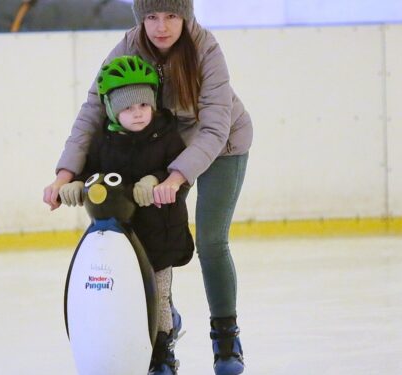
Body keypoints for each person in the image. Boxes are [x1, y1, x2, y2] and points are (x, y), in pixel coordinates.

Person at [43, 1, 252, 374]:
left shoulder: (206, 49)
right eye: (152, 16)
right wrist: (65, 173)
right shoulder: (129, 45)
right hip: (165, 148)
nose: (161, 26)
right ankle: (163, 321)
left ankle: (225, 339)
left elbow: (215, 126)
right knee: (145, 236)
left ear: (185, 15)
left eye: (172, 15)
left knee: (210, 241)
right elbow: (94, 110)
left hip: (223, 147)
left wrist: (176, 177)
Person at [57, 55, 194, 375]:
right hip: (121, 237)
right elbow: (93, 172)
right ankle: (121, 344)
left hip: (160, 233)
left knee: (157, 296)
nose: (137, 113)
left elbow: (178, 170)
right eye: (128, 107)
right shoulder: (105, 141)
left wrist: (157, 180)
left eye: (143, 106)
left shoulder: (167, 135)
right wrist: (77, 185)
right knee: (121, 296)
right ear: (111, 110)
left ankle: (162, 353)